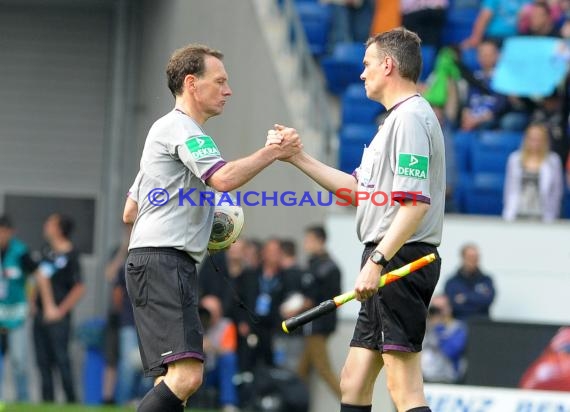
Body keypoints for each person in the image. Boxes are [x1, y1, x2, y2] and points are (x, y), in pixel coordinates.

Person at [268, 28, 445, 412]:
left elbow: (414, 205)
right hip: (385, 258)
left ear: (388, 65)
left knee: (404, 388)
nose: (362, 74)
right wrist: (296, 157)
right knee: (353, 381)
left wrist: (378, 260)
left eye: (367, 65)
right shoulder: (393, 122)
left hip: (399, 261)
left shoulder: (411, 119)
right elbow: (356, 191)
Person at [122, 44, 301, 412]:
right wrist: (274, 152)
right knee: (188, 377)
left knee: (171, 381)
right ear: (191, 83)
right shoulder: (184, 130)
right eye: (220, 81)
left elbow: (130, 211)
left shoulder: (163, 132)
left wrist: (202, 220)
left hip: (155, 260)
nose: (228, 90)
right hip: (164, 262)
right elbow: (223, 180)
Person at [33, 213, 85, 403]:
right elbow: (39, 279)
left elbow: (79, 287)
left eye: (50, 223)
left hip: (59, 317)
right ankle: (47, 402)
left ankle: (71, 401)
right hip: (41, 315)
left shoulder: (71, 254)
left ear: (59, 229)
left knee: (62, 359)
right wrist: (33, 304)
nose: (46, 225)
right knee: (42, 361)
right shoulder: (46, 250)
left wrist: (59, 310)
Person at [297, 225, 342, 400]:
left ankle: (351, 404)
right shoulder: (314, 264)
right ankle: (295, 404)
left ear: (320, 241)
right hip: (314, 324)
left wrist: (295, 310)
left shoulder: (328, 268)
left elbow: (322, 298)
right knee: (302, 370)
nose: (306, 244)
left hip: (318, 324)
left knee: (323, 369)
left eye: (309, 240)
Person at [0, 216, 37, 403]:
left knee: (19, 360)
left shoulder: (21, 252)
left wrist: (31, 302)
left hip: (17, 313)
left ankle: (22, 400)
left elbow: (34, 277)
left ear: (10, 232)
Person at [502, 123, 564, 222]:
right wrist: (508, 211)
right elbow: (509, 189)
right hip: (516, 213)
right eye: (532, 138)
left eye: (539, 139)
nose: (535, 142)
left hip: (544, 215)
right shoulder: (514, 159)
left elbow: (557, 192)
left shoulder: (553, 160)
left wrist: (553, 215)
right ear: (526, 139)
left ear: (545, 141)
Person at [200, 295, 240, 412]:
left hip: (213, 371)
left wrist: (209, 347)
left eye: (213, 311)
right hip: (195, 369)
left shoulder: (226, 325)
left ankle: (228, 403)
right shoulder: (192, 324)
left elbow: (229, 350)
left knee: (228, 359)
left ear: (219, 311)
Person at [421, 294, 468, 384]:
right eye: (434, 308)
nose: (437, 312)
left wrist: (439, 328)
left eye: (441, 308)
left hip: (447, 380)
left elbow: (451, 351)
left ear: (449, 309)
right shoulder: (424, 327)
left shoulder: (458, 328)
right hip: (424, 379)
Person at [444, 244, 495, 321]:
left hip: (482, 324)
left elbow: (487, 301)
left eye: (476, 257)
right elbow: (453, 305)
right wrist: (477, 297)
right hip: (459, 324)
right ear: (463, 258)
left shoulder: (486, 280)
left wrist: (465, 297)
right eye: (470, 257)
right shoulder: (452, 282)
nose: (473, 260)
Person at [462, 0, 533, 49]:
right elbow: (484, 18)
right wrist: (475, 38)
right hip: (495, 39)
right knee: (487, 50)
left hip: (518, 39)